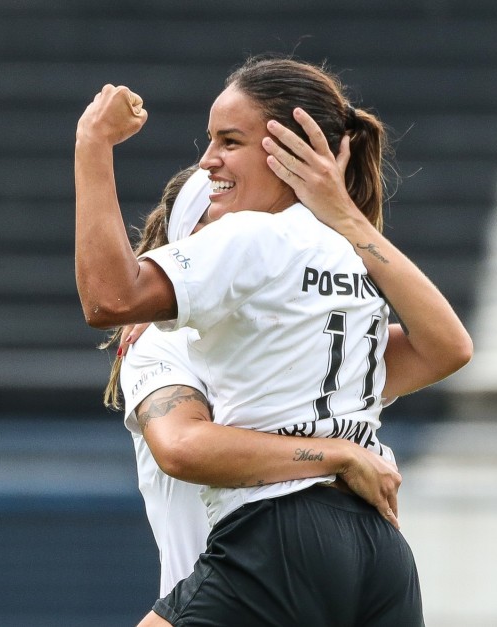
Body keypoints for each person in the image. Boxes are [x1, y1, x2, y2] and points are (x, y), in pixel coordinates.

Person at [75, 56, 472, 626]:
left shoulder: (238, 253)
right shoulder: (338, 266)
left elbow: (112, 305)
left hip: (275, 544)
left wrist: (92, 143)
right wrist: (349, 220)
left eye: (227, 142)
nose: (210, 160)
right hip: (377, 550)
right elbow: (447, 347)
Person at [111, 164, 403, 598]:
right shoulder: (161, 340)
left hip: (287, 585)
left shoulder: (296, 346)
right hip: (226, 588)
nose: (256, 245)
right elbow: (181, 447)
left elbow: (447, 348)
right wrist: (339, 454)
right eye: (227, 232)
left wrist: (348, 220)